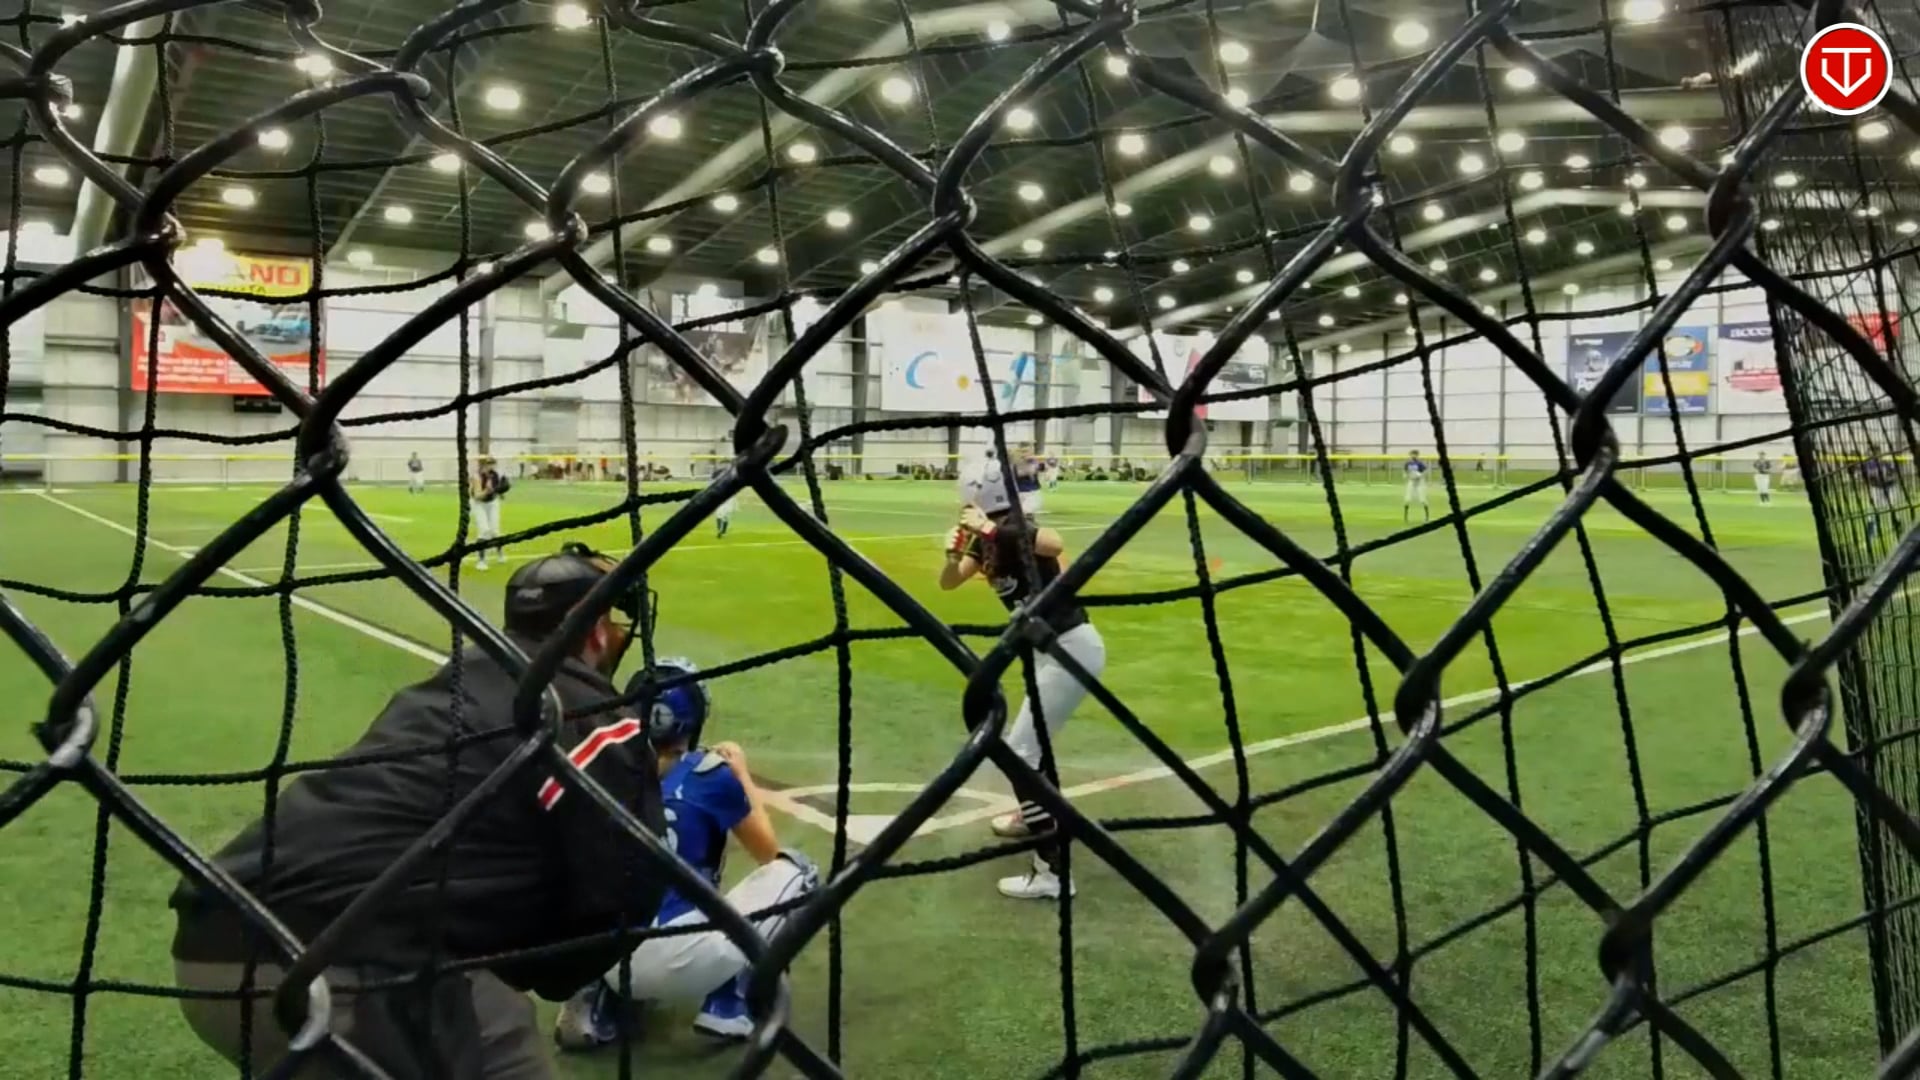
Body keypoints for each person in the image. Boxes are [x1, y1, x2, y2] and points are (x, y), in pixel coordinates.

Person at [168, 543, 668, 1079]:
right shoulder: (590, 714)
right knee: (500, 1032)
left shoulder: (450, 686)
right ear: (596, 632)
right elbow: (629, 889)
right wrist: (548, 968)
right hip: (343, 968)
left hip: (213, 941)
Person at [554, 660, 819, 1050]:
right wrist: (741, 775)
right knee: (799, 871)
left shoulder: (599, 770)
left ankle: (595, 999)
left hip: (611, 955)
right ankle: (730, 1001)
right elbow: (768, 853)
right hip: (688, 957)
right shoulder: (709, 773)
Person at [940, 469, 1106, 901]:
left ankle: (1052, 871)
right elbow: (949, 582)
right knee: (1033, 748)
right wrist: (952, 555)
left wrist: (989, 529)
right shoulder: (989, 540)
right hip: (1048, 654)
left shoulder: (1014, 526)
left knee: (1020, 752)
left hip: (1070, 648)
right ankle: (1041, 814)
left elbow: (1054, 544)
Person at [475, 453, 509, 569]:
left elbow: (498, 491)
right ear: (483, 465)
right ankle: (481, 561)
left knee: (495, 530)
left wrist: (500, 492)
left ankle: (500, 554)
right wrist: (487, 491)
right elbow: (477, 496)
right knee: (484, 530)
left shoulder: (496, 475)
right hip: (479, 504)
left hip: (492, 503)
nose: (491, 466)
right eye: (488, 464)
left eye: (493, 463)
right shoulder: (477, 476)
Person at [1864, 447, 1902, 542]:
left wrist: (1889, 474)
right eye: (1873, 453)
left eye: (1878, 452)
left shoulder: (1885, 462)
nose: (1876, 455)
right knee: (1874, 510)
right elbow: (1870, 477)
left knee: (1893, 506)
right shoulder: (1869, 464)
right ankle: (1872, 532)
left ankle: (1896, 525)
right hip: (1877, 487)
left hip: (1889, 486)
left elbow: (1893, 473)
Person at [1403, 449, 1430, 523]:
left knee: (1422, 500)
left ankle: (1427, 517)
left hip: (1419, 483)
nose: (1413, 456)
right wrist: (1405, 475)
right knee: (1407, 499)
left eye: (1415, 454)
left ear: (1417, 455)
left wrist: (1421, 475)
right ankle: (1406, 517)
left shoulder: (1419, 463)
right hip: (1411, 482)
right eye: (1412, 454)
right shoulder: (1408, 463)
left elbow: (1425, 470)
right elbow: (1405, 471)